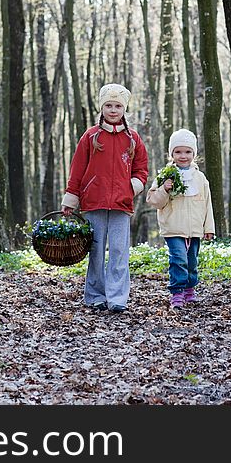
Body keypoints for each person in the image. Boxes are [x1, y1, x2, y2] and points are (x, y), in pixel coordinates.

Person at [61, 83, 148, 312]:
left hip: (122, 203)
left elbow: (141, 169)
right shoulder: (91, 136)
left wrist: (133, 186)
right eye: (108, 105)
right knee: (96, 251)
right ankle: (95, 296)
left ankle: (118, 298)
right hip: (94, 201)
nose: (113, 110)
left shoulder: (133, 139)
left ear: (124, 109)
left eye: (117, 106)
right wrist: (71, 197)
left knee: (119, 251)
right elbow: (77, 168)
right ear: (101, 107)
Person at [145, 128, 215, 308]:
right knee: (178, 259)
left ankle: (189, 290)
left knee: (191, 261)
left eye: (187, 151)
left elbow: (207, 204)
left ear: (194, 153)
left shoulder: (200, 178)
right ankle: (177, 293)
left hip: (195, 229)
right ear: (171, 154)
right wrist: (164, 189)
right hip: (174, 227)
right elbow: (154, 201)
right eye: (178, 152)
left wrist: (208, 228)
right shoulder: (165, 175)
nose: (183, 156)